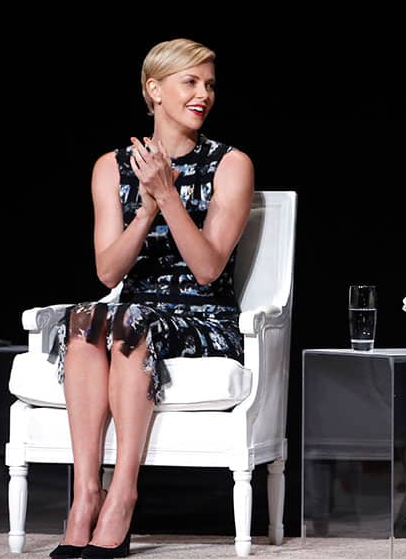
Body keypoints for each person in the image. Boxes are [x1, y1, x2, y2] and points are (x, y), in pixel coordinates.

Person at [48, 38, 255, 558]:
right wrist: (144, 209)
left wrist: (168, 195)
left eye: (209, 84)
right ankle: (84, 496)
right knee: (84, 318)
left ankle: (122, 496)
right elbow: (107, 271)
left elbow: (208, 270)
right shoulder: (110, 166)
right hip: (134, 313)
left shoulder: (230, 164)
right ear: (154, 90)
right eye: (190, 82)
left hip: (204, 316)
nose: (202, 94)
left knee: (126, 321)